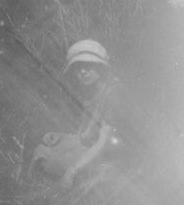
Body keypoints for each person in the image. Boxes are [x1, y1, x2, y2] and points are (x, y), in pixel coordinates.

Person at [31, 39, 121, 190]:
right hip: (98, 151)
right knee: (45, 148)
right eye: (78, 68)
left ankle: (96, 179)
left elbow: (103, 142)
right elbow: (85, 136)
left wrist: (73, 170)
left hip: (116, 157)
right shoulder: (93, 94)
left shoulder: (114, 93)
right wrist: (60, 136)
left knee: (48, 159)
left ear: (101, 67)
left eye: (88, 65)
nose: (83, 72)